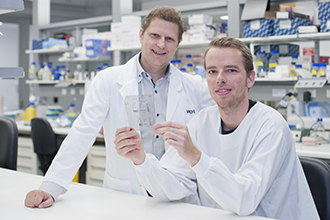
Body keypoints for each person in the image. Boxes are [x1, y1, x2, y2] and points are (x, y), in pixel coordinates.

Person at [24, 6, 214, 208]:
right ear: (141, 35)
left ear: (178, 44)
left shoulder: (195, 87)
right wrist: (51, 187)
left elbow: (217, 135)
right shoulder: (109, 80)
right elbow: (82, 132)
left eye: (169, 39)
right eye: (155, 35)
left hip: (178, 198)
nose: (161, 44)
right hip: (127, 194)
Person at [115, 37, 320, 220]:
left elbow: (245, 199)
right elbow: (175, 187)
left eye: (231, 70)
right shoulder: (201, 122)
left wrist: (196, 157)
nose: (220, 78)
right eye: (212, 71)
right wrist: (141, 160)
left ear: (250, 78)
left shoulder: (270, 126)